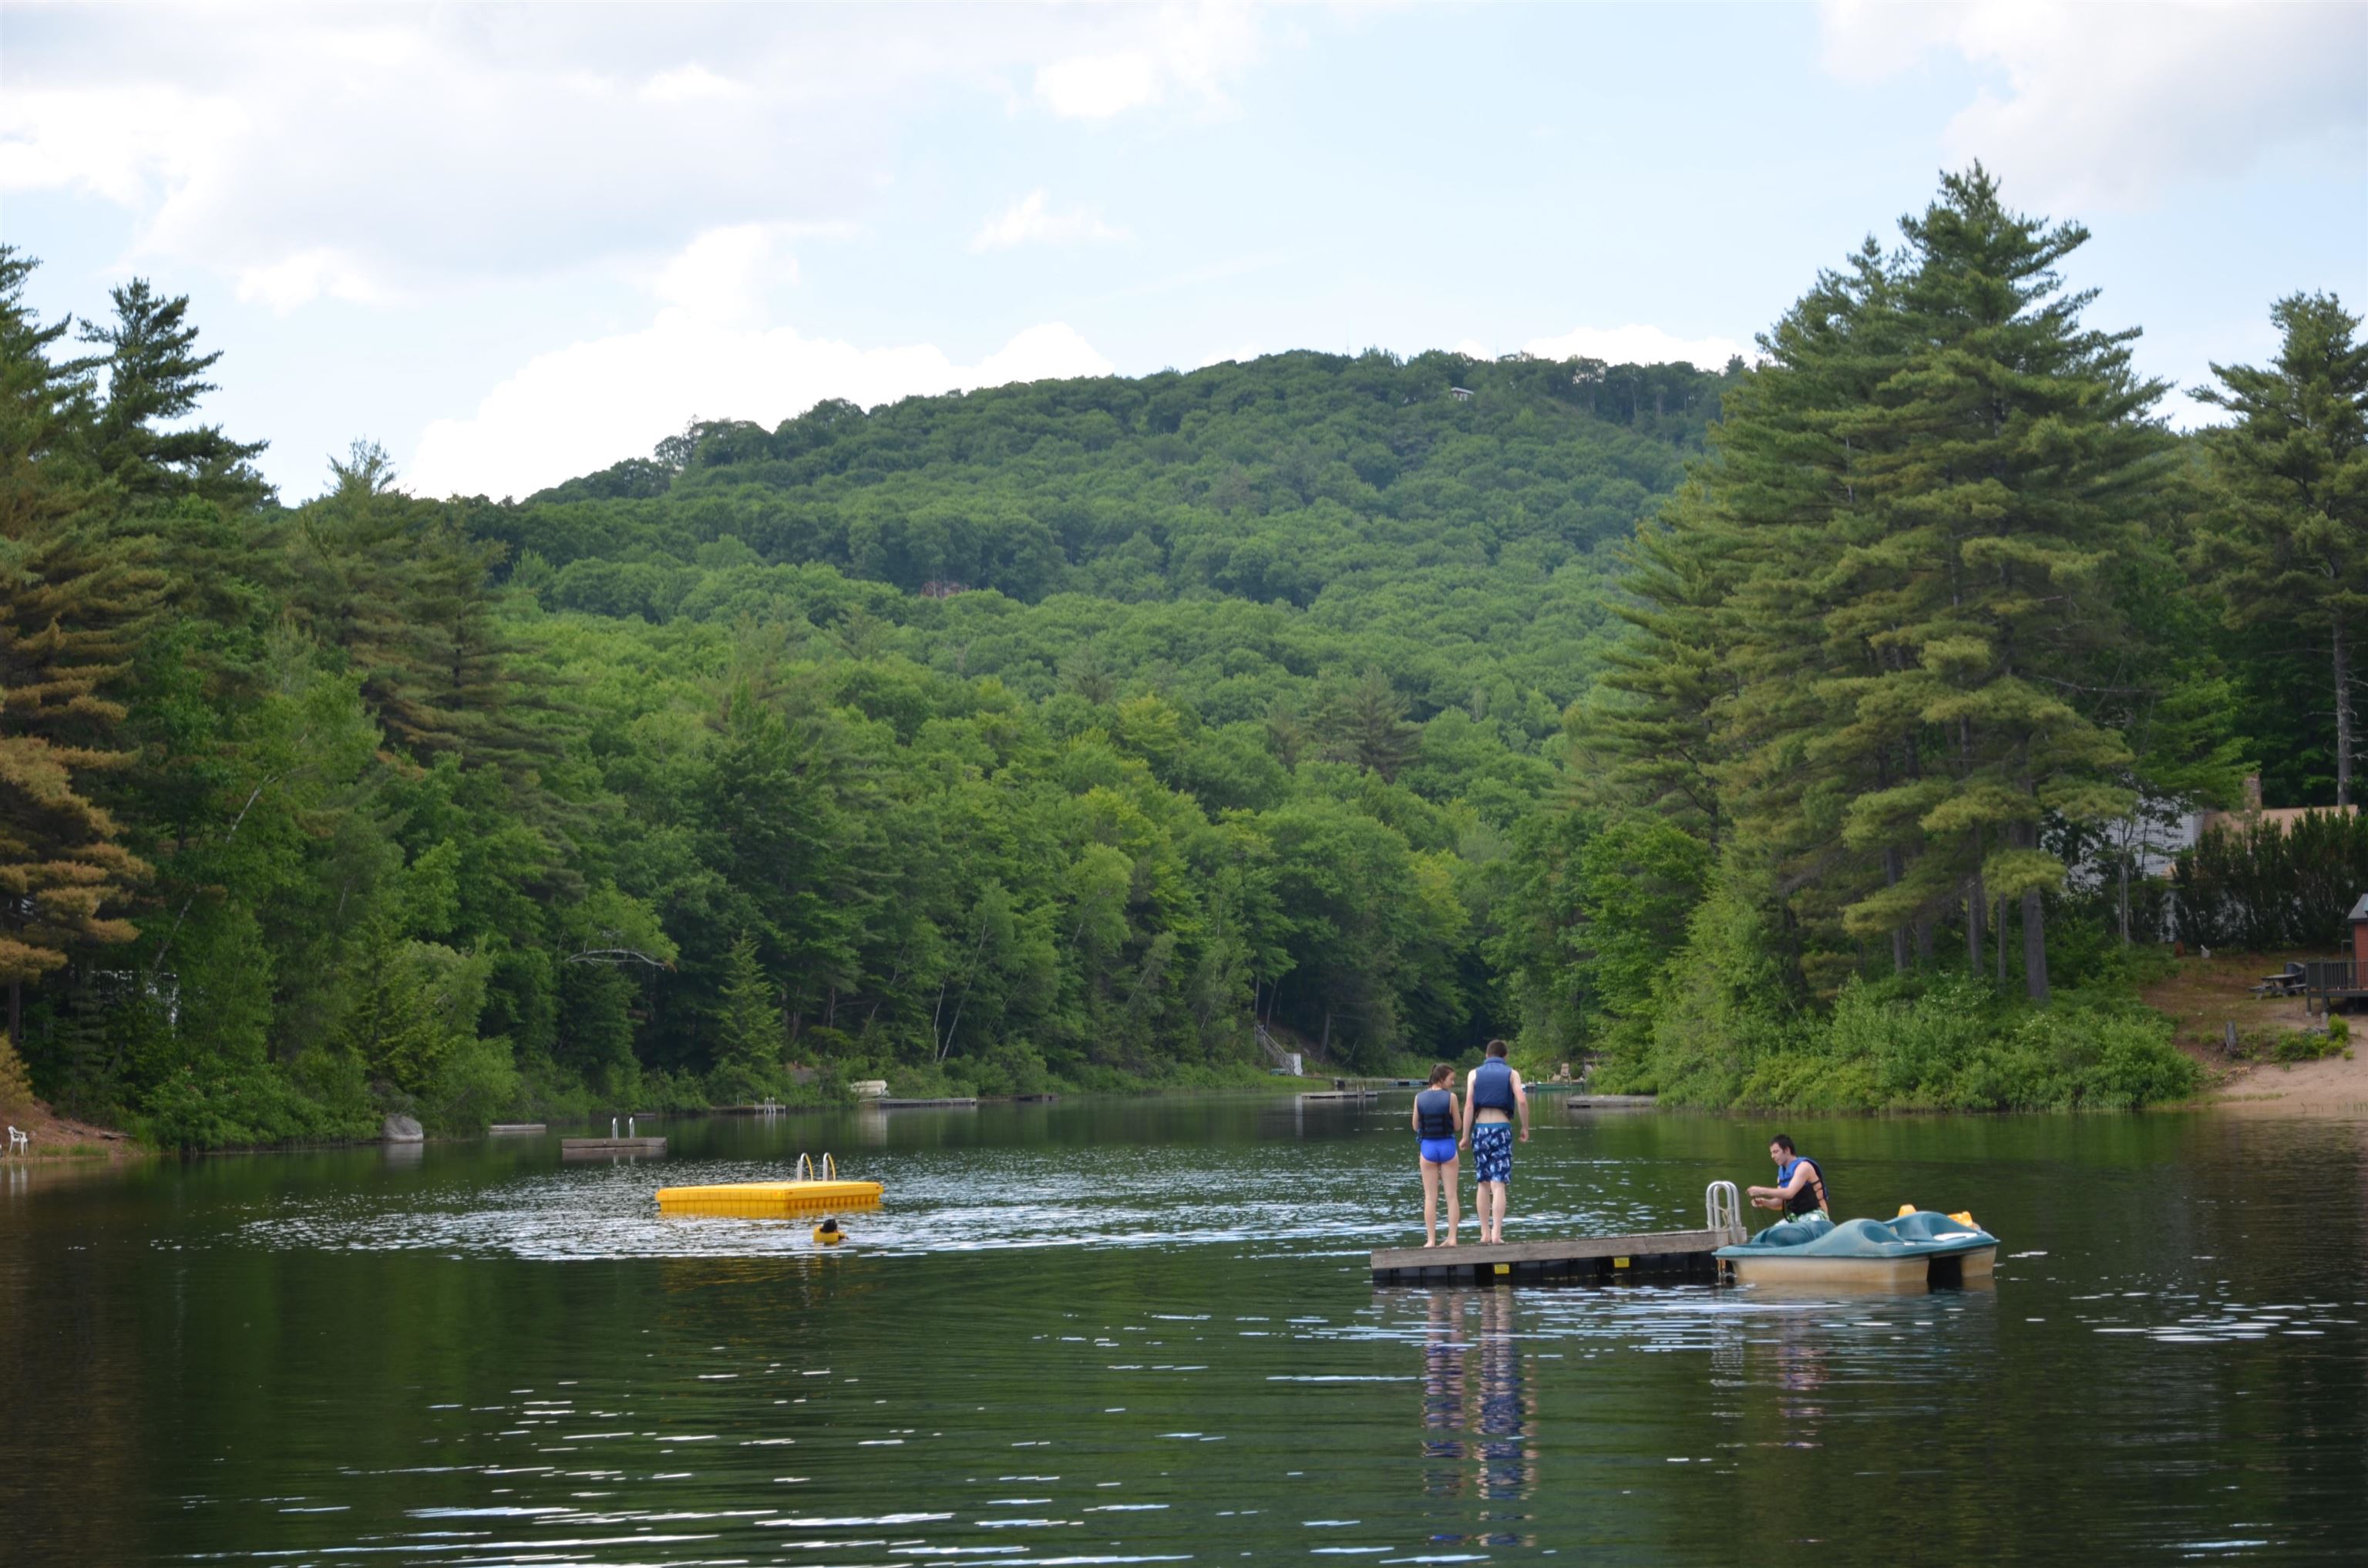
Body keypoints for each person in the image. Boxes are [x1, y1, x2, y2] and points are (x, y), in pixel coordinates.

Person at [1460, 1039, 1529, 1244]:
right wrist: (1525, 1127)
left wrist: (1465, 1136)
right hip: (1502, 1130)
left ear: (1486, 1055)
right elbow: (1522, 1100)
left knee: (1483, 1183)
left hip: (1481, 1130)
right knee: (1498, 1185)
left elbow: (1469, 1106)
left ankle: (1484, 1233)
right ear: (1505, 1056)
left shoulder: (1474, 1074)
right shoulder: (1512, 1073)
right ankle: (1497, 1234)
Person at [1410, 1063, 1462, 1247]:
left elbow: (1415, 1126)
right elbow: (1457, 1126)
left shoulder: (1419, 1098)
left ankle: (1431, 1240)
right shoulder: (1452, 1098)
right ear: (1441, 1079)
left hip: (1428, 1149)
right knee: (1452, 1196)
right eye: (1451, 1079)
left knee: (1430, 1198)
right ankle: (1452, 1238)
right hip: (1447, 1146)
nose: (1453, 1083)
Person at [1747, 1134, 1830, 1219]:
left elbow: (1789, 1193)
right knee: (1774, 1232)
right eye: (1771, 1153)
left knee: (1796, 1230)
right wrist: (1764, 1202)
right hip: (1797, 1217)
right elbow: (1780, 1204)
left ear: (1787, 1150)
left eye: (1776, 1152)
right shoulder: (1782, 1175)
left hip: (1817, 1214)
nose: (1772, 1156)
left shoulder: (1804, 1167)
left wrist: (1762, 1190)